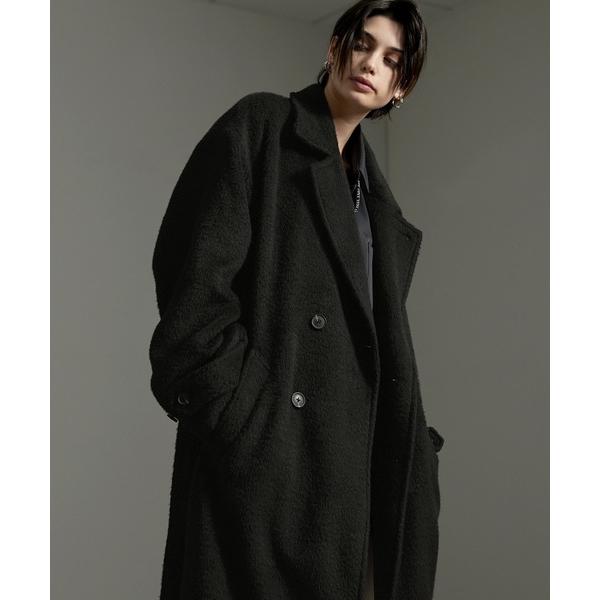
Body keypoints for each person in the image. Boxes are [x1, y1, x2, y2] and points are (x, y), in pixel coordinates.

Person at [149, 1, 445, 599]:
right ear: (336, 46)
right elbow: (192, 289)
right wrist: (253, 432)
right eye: (362, 44)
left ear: (401, 87)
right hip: (263, 481)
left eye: (392, 60)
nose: (371, 64)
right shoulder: (261, 129)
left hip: (348, 495)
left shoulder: (377, 209)